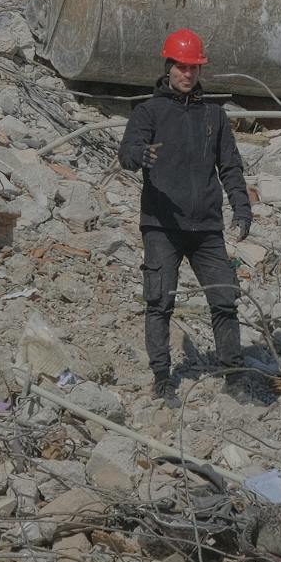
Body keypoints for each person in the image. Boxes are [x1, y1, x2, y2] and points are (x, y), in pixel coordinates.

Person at [118, 28, 256, 407]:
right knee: (159, 301)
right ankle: (163, 380)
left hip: (206, 228)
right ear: (169, 67)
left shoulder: (214, 116)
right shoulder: (149, 112)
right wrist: (139, 155)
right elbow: (127, 152)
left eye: (194, 67)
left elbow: (230, 167)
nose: (188, 74)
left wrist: (242, 208)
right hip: (162, 226)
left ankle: (234, 377)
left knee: (224, 299)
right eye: (182, 67)